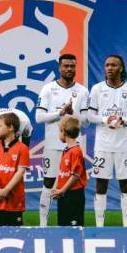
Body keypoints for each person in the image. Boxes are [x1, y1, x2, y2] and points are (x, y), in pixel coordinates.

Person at [86, 55, 127, 227]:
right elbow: (89, 116)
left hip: (124, 146)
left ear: (121, 68)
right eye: (107, 65)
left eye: (114, 65)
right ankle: (99, 225)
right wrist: (105, 120)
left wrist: (123, 120)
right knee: (100, 185)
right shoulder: (97, 89)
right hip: (102, 146)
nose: (109, 68)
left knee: (125, 184)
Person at [35, 54, 89, 226]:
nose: (69, 69)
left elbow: (86, 121)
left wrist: (72, 112)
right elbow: (39, 117)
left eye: (72, 66)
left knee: (73, 184)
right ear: (59, 68)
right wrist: (59, 113)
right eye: (65, 66)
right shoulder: (48, 89)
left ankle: (72, 221)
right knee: (49, 182)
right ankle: (43, 224)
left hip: (73, 147)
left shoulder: (82, 91)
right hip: (52, 145)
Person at [0, 112, 30, 226]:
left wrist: (6, 190)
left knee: (16, 235)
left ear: (10, 128)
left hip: (14, 201)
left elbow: (20, 172)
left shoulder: (23, 148)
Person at [50, 116, 87, 227]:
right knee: (63, 225)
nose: (59, 134)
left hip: (74, 195)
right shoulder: (66, 150)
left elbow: (75, 175)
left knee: (74, 227)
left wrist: (62, 190)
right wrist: (56, 188)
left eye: (59, 131)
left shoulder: (76, 151)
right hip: (63, 194)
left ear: (64, 131)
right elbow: (61, 172)